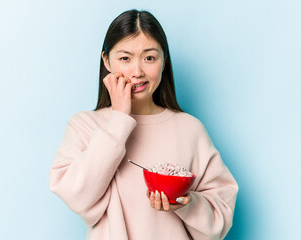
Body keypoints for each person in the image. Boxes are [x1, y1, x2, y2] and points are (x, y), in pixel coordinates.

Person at [49, 9, 239, 240]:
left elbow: (222, 213)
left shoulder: (190, 129)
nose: (137, 72)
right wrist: (119, 119)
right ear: (106, 61)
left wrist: (186, 205)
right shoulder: (85, 126)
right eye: (125, 58)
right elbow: (77, 197)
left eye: (149, 58)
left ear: (164, 60)